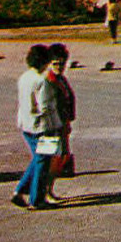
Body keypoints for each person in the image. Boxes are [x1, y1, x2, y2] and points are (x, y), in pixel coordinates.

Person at [12, 44, 63, 209]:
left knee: (37, 159)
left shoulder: (24, 77)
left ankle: (20, 191)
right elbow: (45, 105)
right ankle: (36, 199)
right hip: (43, 126)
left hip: (26, 124)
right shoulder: (42, 81)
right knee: (43, 162)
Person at [43, 42, 77, 199]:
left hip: (62, 125)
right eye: (55, 64)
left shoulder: (61, 79)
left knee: (59, 159)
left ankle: (49, 189)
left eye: (62, 63)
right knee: (50, 160)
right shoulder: (48, 81)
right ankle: (45, 191)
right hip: (51, 127)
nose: (59, 66)